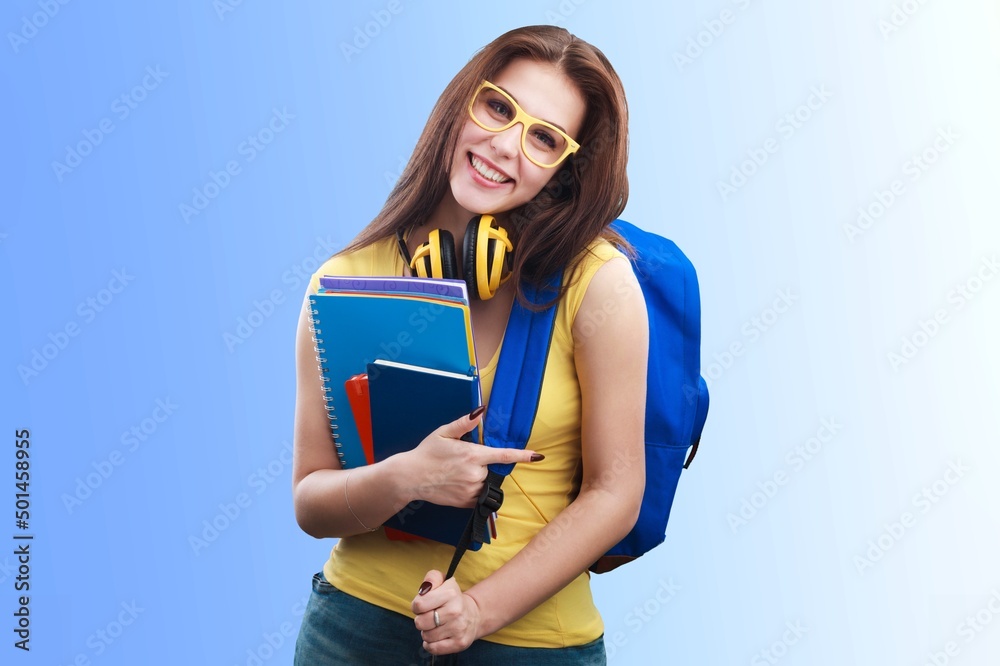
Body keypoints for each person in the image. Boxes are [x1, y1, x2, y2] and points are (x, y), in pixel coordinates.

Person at [292, 25, 648, 664]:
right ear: (463, 104)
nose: (505, 146)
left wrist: (480, 609)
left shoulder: (598, 285)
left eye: (543, 138)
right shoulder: (346, 281)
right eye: (498, 108)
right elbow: (312, 499)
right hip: (353, 630)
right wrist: (404, 478)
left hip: (532, 646)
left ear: (568, 169)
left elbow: (616, 494)